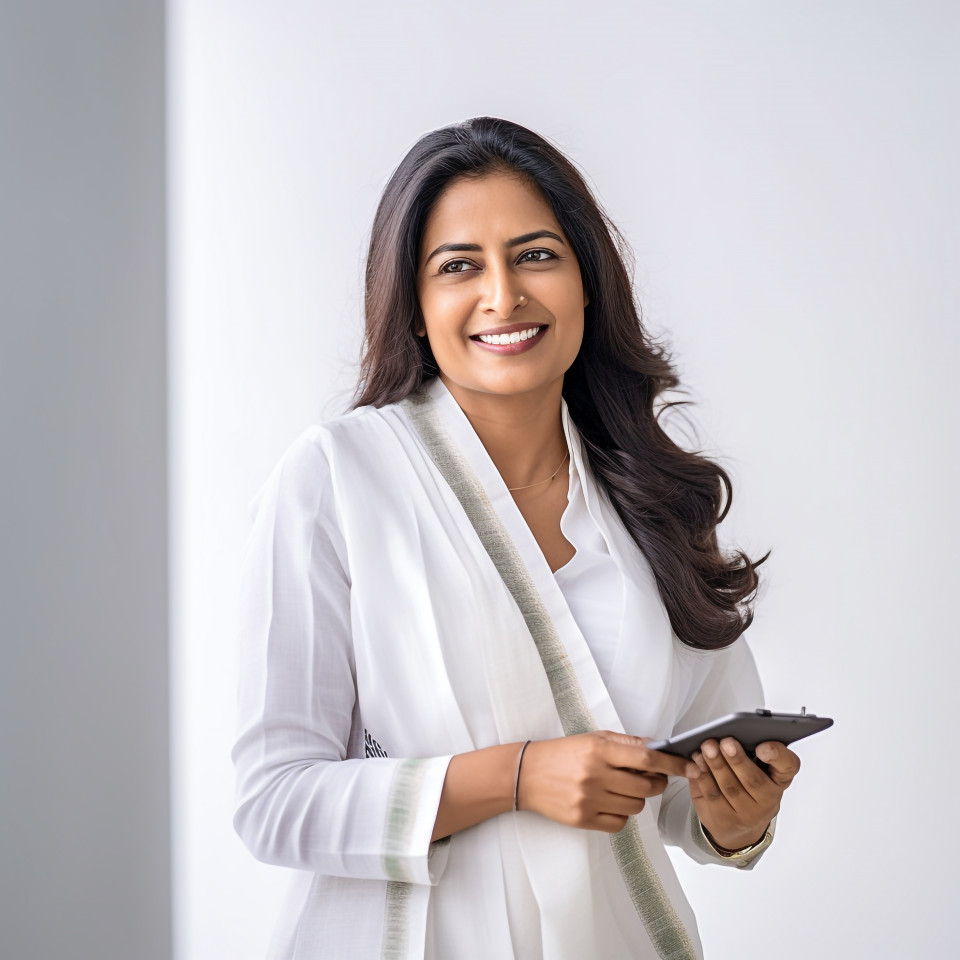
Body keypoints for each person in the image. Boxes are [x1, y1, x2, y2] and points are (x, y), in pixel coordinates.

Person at [231, 116, 801, 960]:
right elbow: (273, 802)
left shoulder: (655, 499)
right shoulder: (339, 480)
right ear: (416, 309)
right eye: (459, 265)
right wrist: (519, 776)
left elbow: (689, 794)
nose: (503, 295)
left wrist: (736, 819)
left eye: (537, 254)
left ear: (585, 285)